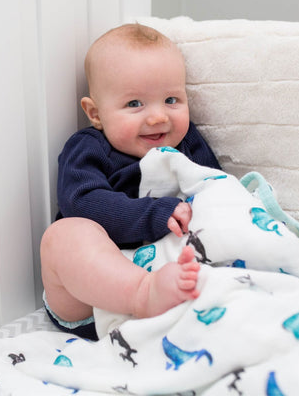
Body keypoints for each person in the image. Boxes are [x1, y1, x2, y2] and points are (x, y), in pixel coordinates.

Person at [40, 23, 221, 340]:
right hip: (96, 292)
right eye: (135, 104)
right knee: (62, 235)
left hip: (179, 272)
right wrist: (153, 213)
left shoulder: (187, 143)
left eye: (171, 99)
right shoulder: (89, 148)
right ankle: (143, 292)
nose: (158, 117)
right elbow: (81, 202)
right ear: (96, 114)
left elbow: (214, 186)